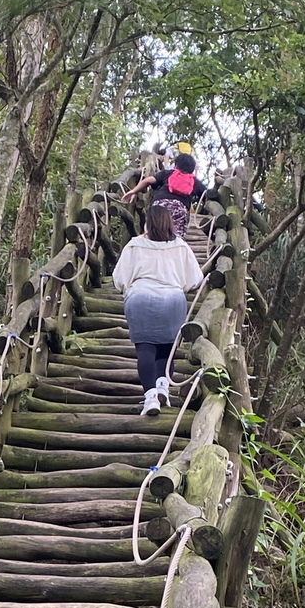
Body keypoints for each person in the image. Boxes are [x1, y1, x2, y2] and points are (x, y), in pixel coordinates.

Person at [112, 205, 203, 417]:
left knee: (145, 350)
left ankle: (151, 397)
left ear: (148, 223)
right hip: (172, 299)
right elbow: (195, 279)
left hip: (140, 299)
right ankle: (163, 386)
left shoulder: (134, 246)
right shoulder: (180, 247)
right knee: (167, 349)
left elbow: (119, 279)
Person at [121, 152, 207, 239]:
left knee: (151, 233)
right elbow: (206, 195)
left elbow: (148, 181)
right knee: (176, 238)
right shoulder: (194, 181)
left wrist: (134, 191)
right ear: (192, 169)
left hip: (159, 204)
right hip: (179, 208)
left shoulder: (169, 173)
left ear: (176, 165)